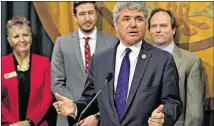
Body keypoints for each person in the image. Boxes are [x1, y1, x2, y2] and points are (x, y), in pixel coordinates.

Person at [53, 2, 183, 126]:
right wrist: (75, 107)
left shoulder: (162, 60)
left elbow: (173, 103)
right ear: (115, 24)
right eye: (126, 19)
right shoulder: (100, 60)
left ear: (145, 25)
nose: (133, 24)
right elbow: (91, 99)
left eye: (139, 19)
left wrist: (163, 117)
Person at [51, 1, 118, 126]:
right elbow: (57, 82)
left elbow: (116, 83)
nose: (87, 18)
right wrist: (76, 108)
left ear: (97, 14)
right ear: (74, 17)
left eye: (90, 13)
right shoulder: (62, 43)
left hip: (103, 117)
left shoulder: (113, 42)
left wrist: (96, 114)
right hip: (68, 117)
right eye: (82, 14)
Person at [148, 8, 206, 126]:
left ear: (173, 30)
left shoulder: (191, 62)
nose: (158, 30)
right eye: (153, 26)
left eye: (163, 26)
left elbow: (195, 114)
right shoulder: (140, 58)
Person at [1, 17, 52, 126]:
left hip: (38, 123)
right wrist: (14, 123)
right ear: (9, 41)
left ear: (31, 37)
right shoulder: (2, 64)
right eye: (16, 36)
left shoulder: (44, 63)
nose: (22, 40)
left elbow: (47, 97)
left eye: (25, 35)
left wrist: (29, 122)